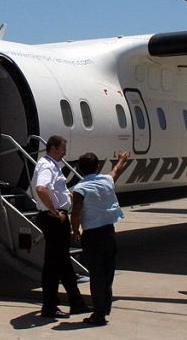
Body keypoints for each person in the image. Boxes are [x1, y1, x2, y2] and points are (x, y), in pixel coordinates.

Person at [70, 151, 130, 326]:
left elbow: (75, 214)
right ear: (97, 167)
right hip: (109, 233)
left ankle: (98, 314)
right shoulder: (106, 180)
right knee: (107, 274)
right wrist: (122, 159)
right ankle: (104, 309)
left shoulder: (80, 189)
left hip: (92, 236)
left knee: (96, 276)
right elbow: (116, 171)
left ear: (80, 170)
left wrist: (75, 231)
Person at [33, 135, 88, 319]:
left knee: (63, 263)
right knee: (53, 265)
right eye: (63, 149)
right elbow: (41, 189)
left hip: (58, 219)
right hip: (54, 220)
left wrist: (67, 198)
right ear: (53, 148)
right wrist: (55, 212)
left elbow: (55, 190)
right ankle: (49, 306)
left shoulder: (54, 165)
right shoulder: (46, 165)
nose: (65, 153)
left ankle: (76, 302)